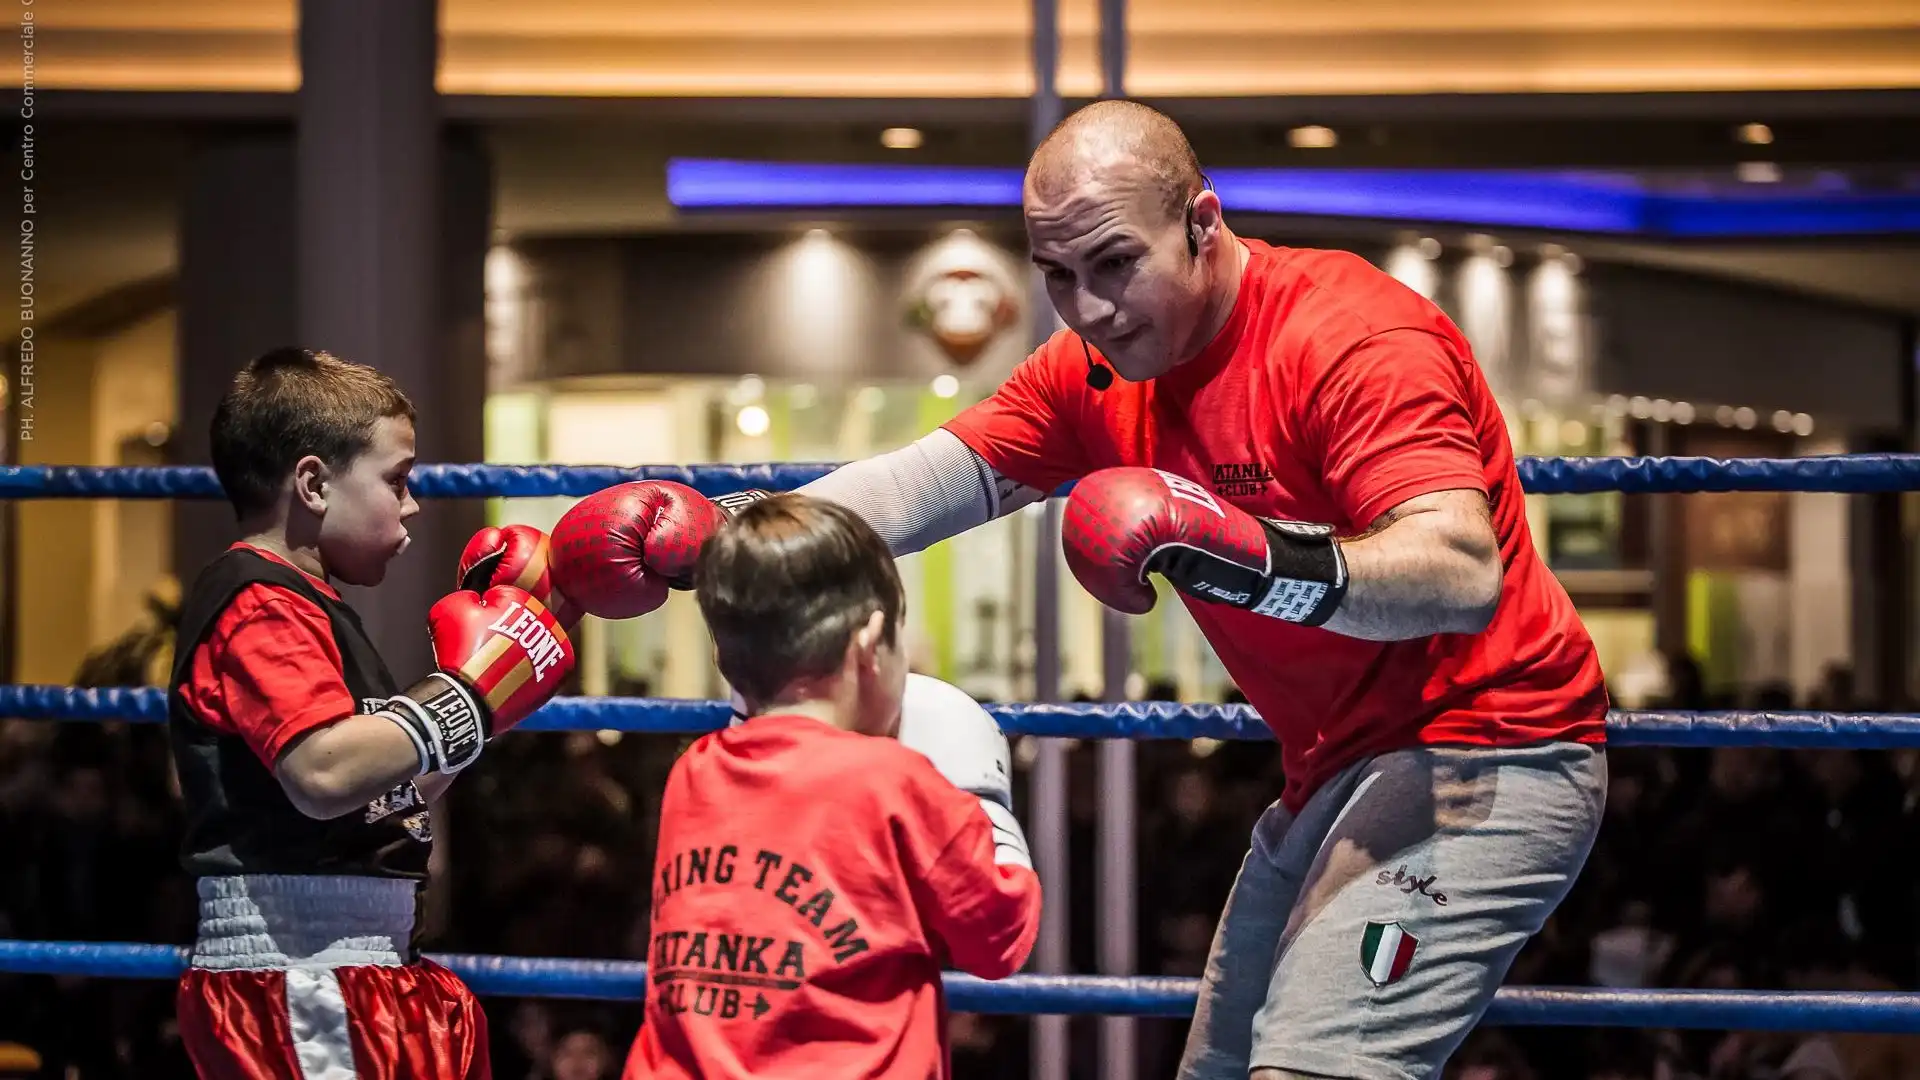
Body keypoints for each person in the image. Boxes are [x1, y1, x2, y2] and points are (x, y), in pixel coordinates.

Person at [560, 98, 1609, 1080]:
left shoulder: (1351, 340)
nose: (1091, 307)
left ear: (1204, 222)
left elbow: (1462, 574)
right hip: (1334, 768)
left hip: (1492, 748)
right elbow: (927, 484)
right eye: (1057, 273)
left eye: (1115, 262)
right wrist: (731, 537)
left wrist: (1240, 552)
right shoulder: (1095, 372)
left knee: (1312, 1066)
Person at [169, 347, 581, 1079]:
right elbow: (324, 772)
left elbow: (381, 793)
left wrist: (493, 699)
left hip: (358, 964)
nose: (413, 503)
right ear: (313, 483)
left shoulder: (314, 611)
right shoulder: (256, 603)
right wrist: (467, 693)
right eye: (397, 479)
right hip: (300, 975)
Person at [620, 494, 1041, 1080]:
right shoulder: (896, 783)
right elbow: (999, 940)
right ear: (872, 645)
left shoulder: (693, 772)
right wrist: (986, 808)